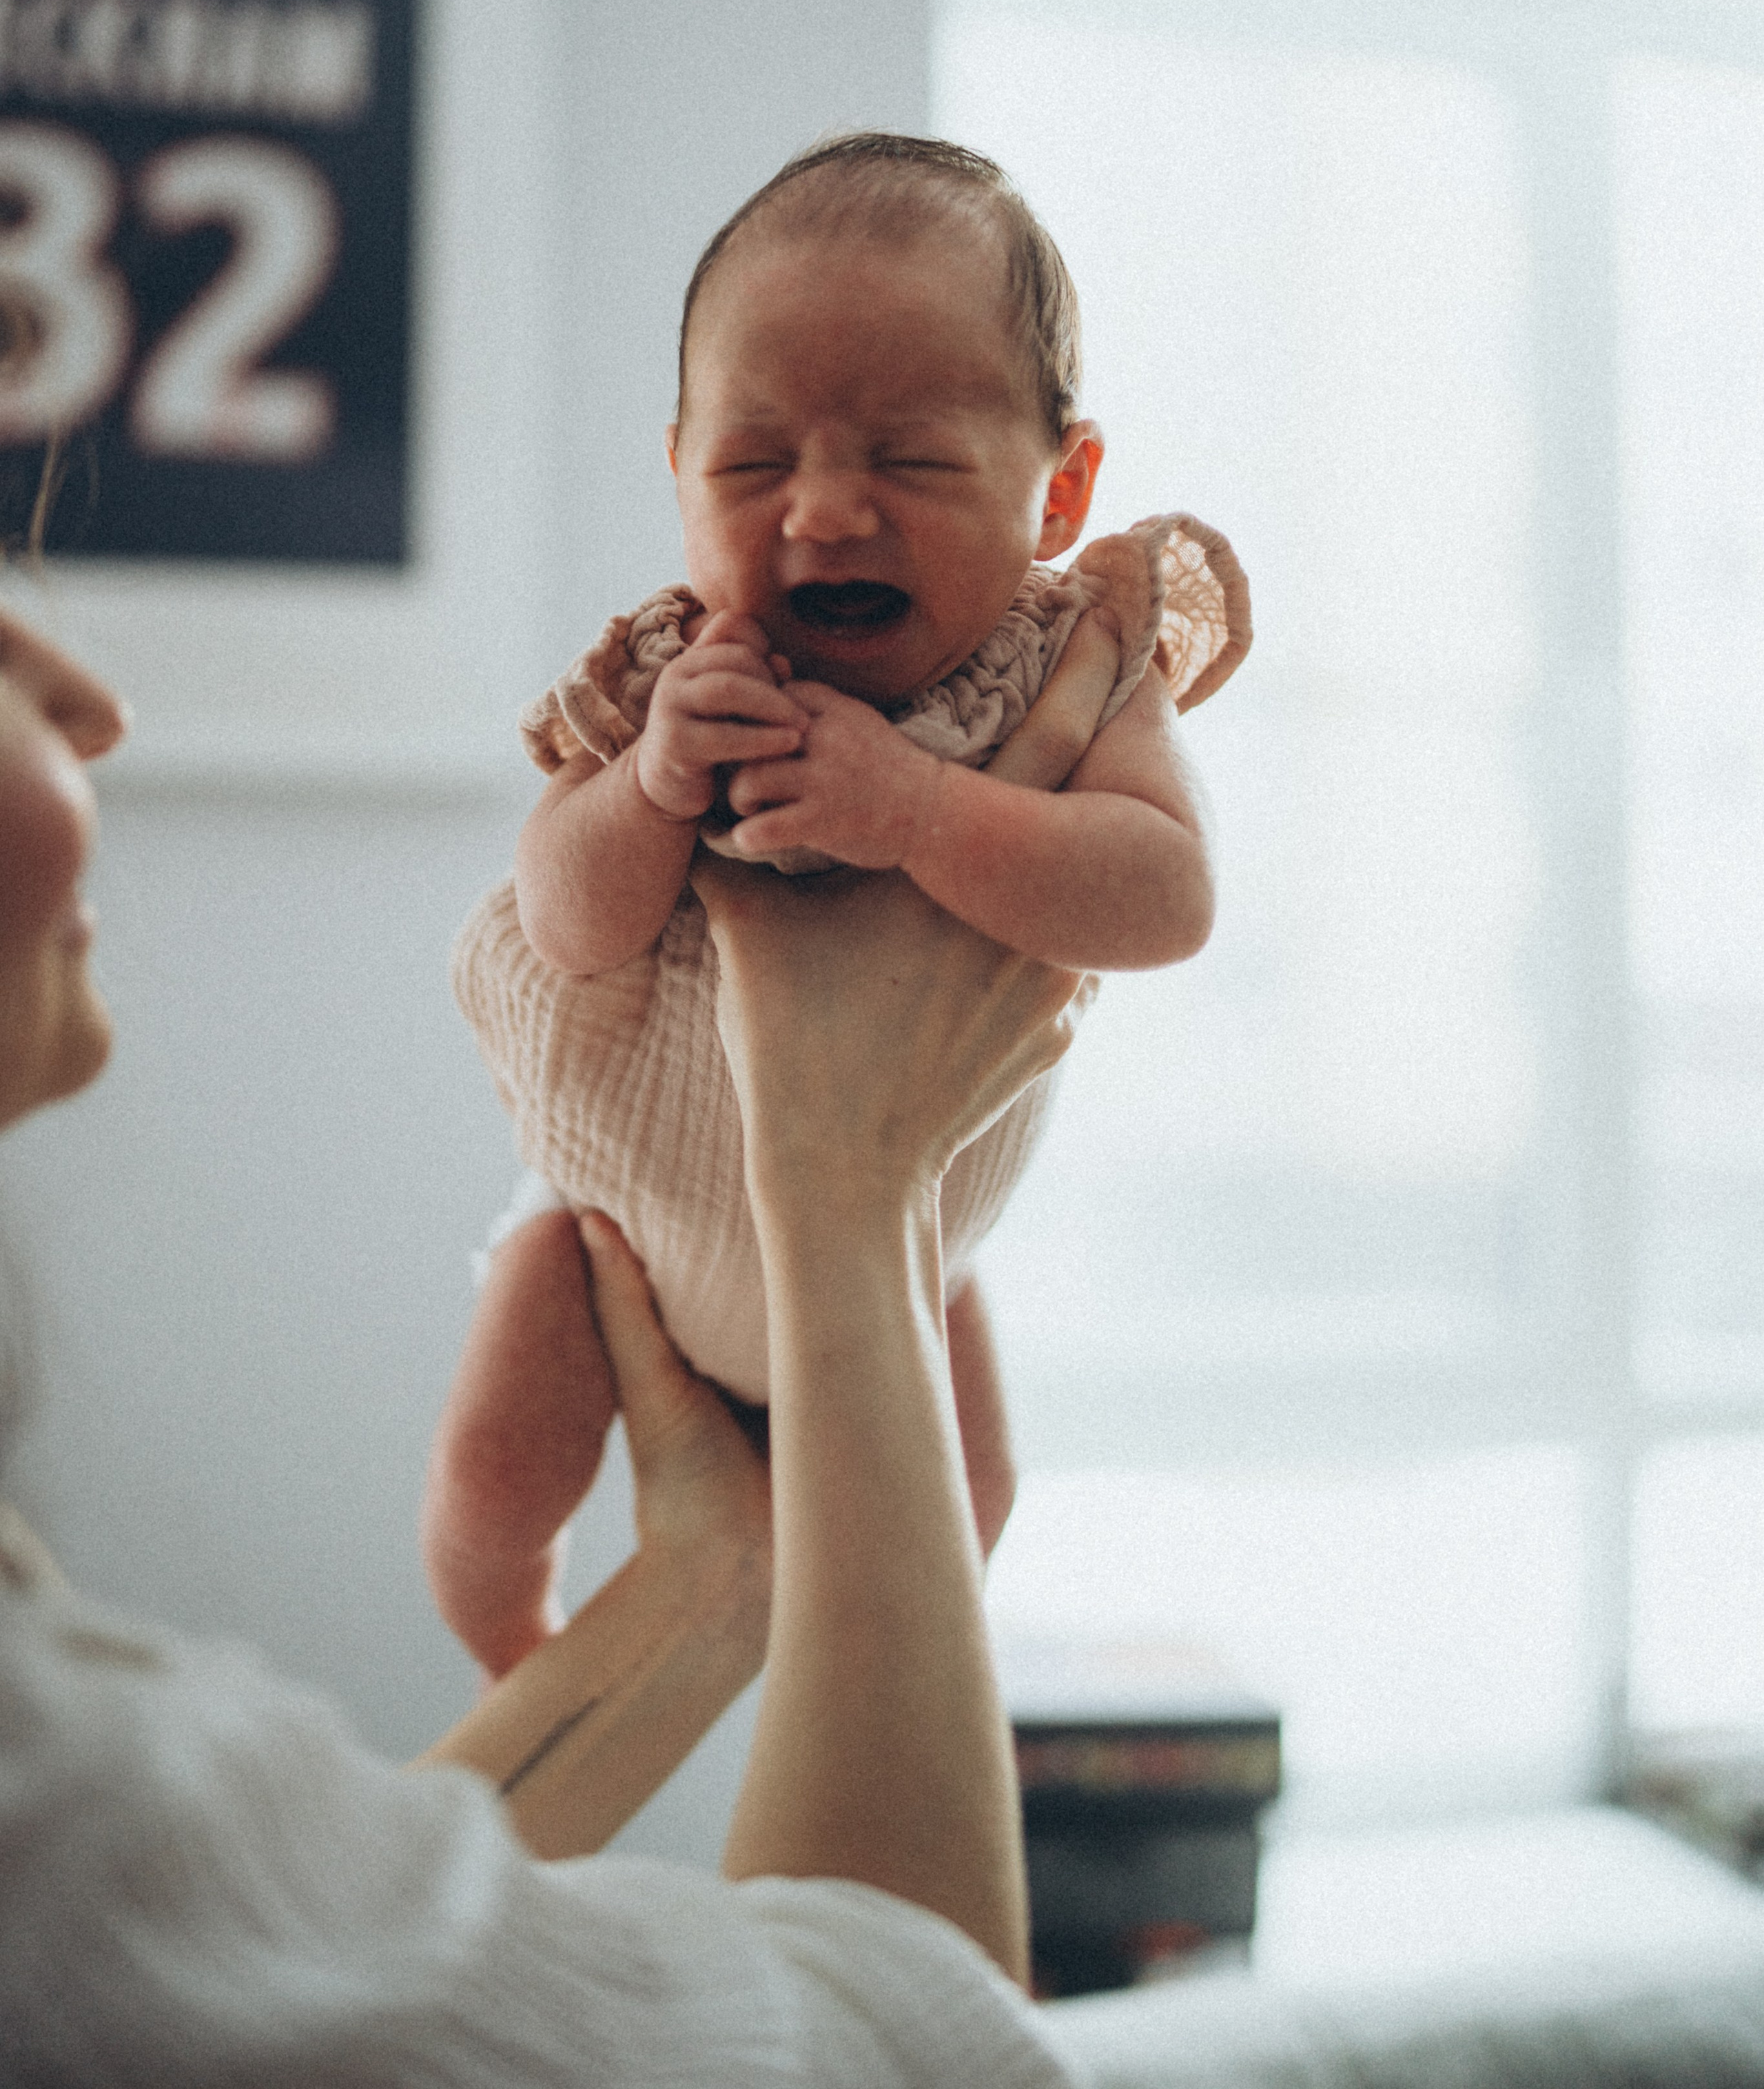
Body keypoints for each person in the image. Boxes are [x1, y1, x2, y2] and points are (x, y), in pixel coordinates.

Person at [0, 598, 1085, 2083]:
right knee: (497, 1476)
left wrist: (710, 1581)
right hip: (671, 1212)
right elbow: (922, 2047)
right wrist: (855, 1199)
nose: (84, 696)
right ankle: (501, 1608)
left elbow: (293, 1956)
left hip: (840, 1279)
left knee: (977, 1498)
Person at [433, 132, 1251, 1675]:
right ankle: (522, 1660)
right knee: (494, 1477)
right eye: (753, 465)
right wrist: (652, 790)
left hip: (903, 1262)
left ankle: (846, 1693)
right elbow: (563, 918)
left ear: (1059, 486)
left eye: (914, 461)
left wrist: (924, 810)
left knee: (974, 1500)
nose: (820, 513)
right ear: (677, 470)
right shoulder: (676, 679)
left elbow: (1166, 898)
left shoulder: (1065, 678)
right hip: (623, 1248)